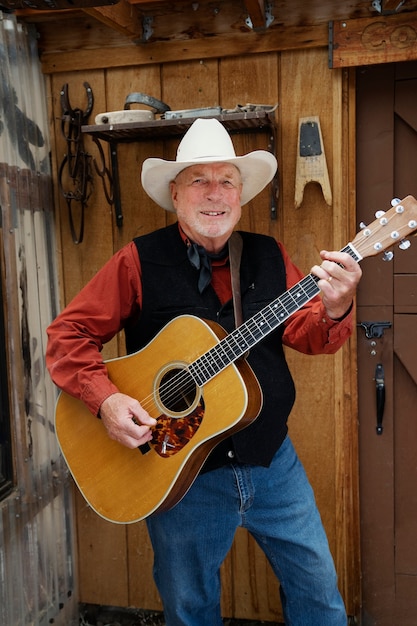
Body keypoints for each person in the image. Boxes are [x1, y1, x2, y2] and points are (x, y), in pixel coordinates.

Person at [46, 118, 362, 626]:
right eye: (199, 180)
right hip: (179, 470)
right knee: (190, 610)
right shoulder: (137, 262)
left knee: (319, 595)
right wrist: (105, 399)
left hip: (271, 461)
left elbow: (309, 333)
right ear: (175, 193)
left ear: (241, 193)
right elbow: (68, 336)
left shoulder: (268, 255)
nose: (214, 195)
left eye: (227, 181)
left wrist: (339, 306)